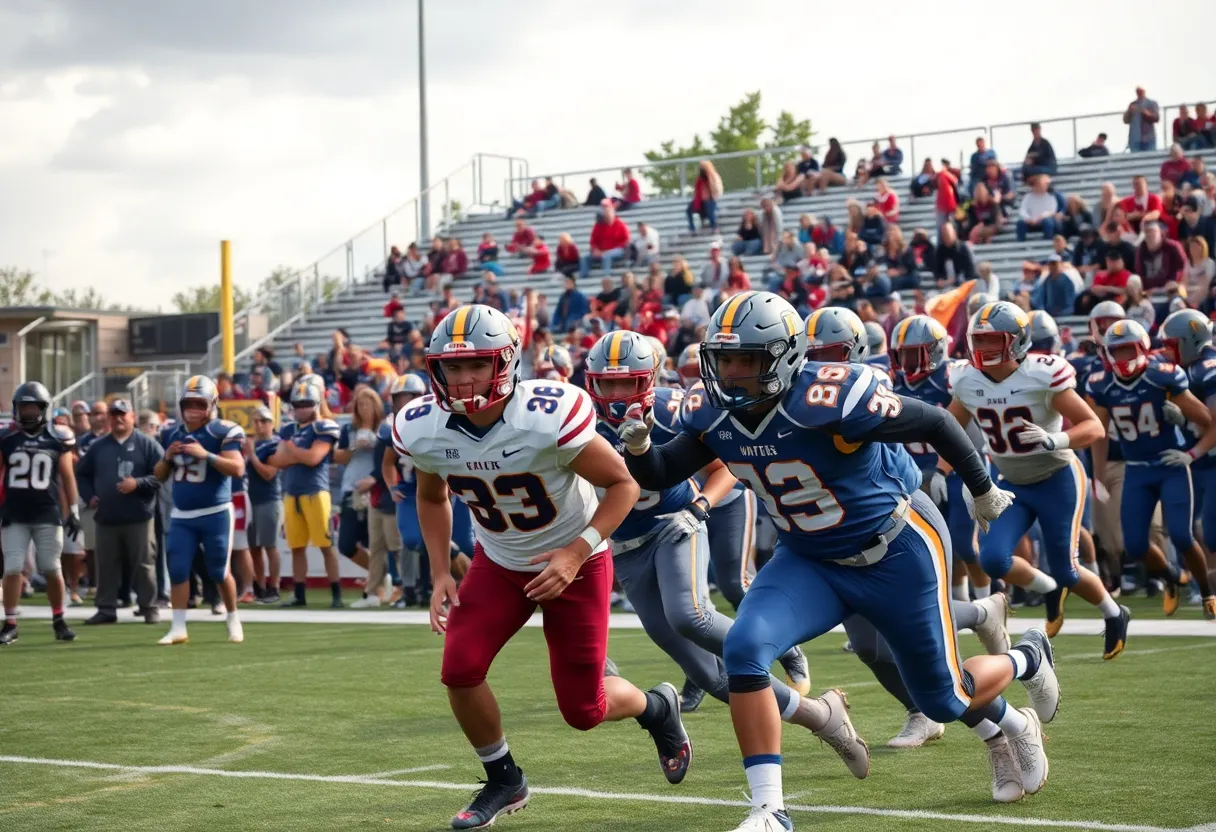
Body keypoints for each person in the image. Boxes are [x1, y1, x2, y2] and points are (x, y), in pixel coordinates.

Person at [622, 292, 1060, 827]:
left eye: (747, 361)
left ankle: (1027, 661)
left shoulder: (829, 398)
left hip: (894, 548)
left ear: (783, 358)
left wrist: (982, 487)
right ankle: (769, 811)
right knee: (743, 647)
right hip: (808, 558)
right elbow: (663, 473)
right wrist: (641, 451)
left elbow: (934, 423)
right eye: (724, 360)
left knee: (944, 699)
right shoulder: (710, 410)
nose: (732, 374)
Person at [391, 304, 691, 829]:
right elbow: (431, 496)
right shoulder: (423, 427)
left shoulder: (546, 415)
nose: (463, 380)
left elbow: (625, 484)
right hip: (500, 561)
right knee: (459, 670)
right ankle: (504, 779)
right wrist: (441, 570)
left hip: (574, 561)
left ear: (504, 363)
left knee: (584, 712)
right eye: (453, 368)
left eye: (477, 365)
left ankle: (656, 708)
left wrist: (577, 552)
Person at [584, 332, 824, 730]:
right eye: (608, 382)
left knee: (710, 601)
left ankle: (781, 647)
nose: (616, 393)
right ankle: (817, 718)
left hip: (683, 516)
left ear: (650, 379)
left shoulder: (671, 409)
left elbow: (723, 468)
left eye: (627, 381)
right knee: (705, 670)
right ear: (592, 382)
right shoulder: (579, 423)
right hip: (627, 541)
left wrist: (699, 507)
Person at [804, 308, 1012, 749]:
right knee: (868, 645)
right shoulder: (806, 390)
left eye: (834, 354)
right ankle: (975, 622)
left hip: (892, 508)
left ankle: (1010, 685)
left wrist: (971, 480)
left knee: (907, 620)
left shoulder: (867, 384)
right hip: (837, 525)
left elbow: (943, 423)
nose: (825, 364)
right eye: (815, 355)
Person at [948, 302, 1129, 656]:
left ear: (1016, 342)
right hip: (1011, 481)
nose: (983, 349)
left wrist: (1054, 439)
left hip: (1057, 477)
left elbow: (1093, 426)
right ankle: (1047, 590)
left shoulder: (1040, 374)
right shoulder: (966, 380)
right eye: (978, 341)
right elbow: (947, 427)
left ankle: (1114, 612)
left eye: (992, 341)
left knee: (1068, 569)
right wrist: (957, 473)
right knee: (993, 559)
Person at [1087, 319, 1216, 619]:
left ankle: (1208, 592)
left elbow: (1207, 419)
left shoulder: (1163, 376)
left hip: (1169, 465)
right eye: (1115, 352)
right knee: (1134, 545)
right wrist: (1098, 475)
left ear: (1143, 347)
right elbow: (1100, 432)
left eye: (1127, 350)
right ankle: (1171, 577)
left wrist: (1184, 426)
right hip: (1136, 469)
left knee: (1182, 537)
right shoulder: (1102, 385)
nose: (1122, 359)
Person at [887, 317, 993, 603]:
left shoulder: (953, 377)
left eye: (912, 353)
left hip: (960, 468)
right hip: (919, 472)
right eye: (901, 354)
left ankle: (988, 601)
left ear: (933, 351)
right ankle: (958, 604)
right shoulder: (893, 382)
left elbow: (965, 427)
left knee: (964, 544)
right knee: (942, 544)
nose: (906, 361)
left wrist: (944, 470)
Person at [151, 379, 246, 645]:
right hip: (182, 514)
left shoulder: (222, 432)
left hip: (216, 512)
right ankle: (178, 627)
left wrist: (206, 455)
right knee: (178, 568)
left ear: (212, 405)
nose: (192, 409)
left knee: (218, 571)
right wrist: (167, 457)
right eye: (188, 404)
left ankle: (233, 619)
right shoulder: (171, 433)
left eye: (199, 404)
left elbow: (237, 469)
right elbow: (159, 475)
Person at [0, 382, 81, 645]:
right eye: (24, 406)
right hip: (14, 513)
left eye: (33, 406)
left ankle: (59, 619)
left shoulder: (58, 438)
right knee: (12, 567)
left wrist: (75, 510)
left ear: (43, 409)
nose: (28, 412)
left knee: (50, 567)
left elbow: (67, 476)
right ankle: (10, 622)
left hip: (47, 513)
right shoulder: (7, 439)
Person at [77, 399, 164, 627]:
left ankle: (149, 606)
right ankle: (106, 608)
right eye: (114, 414)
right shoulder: (98, 446)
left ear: (132, 417)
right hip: (107, 515)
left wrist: (138, 483)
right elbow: (81, 474)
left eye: (122, 414)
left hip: (139, 515)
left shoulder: (148, 444)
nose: (118, 418)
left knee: (144, 564)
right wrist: (89, 496)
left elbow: (162, 474)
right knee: (106, 564)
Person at [1159, 309, 1216, 618]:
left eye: (1173, 343)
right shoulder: (1193, 368)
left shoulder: (1209, 369)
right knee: (1186, 526)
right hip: (1201, 459)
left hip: (1208, 458)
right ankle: (1204, 589)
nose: (1168, 350)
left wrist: (1192, 453)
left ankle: (1209, 591)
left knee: (1210, 528)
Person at [270, 378, 344, 608]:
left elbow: (314, 459)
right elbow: (276, 461)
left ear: (317, 403)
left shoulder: (322, 426)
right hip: (291, 492)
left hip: (315, 492)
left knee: (325, 544)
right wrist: (299, 454)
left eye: (306, 403)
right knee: (296, 547)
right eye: (298, 404)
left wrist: (292, 450)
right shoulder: (288, 429)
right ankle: (299, 594)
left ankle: (336, 594)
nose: (301, 408)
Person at [382, 374, 429, 607]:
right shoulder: (395, 427)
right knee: (411, 540)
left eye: (407, 398)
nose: (403, 404)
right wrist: (392, 486)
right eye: (399, 399)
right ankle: (411, 589)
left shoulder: (434, 421)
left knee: (441, 541)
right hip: (409, 492)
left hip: (434, 491)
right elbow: (387, 462)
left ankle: (429, 587)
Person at [335, 389, 383, 605]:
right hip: (351, 489)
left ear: (376, 406)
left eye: (367, 404)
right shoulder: (349, 429)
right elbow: (338, 457)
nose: (364, 408)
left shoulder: (385, 429)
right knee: (346, 544)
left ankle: (378, 586)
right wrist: (354, 446)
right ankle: (383, 576)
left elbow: (389, 459)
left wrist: (374, 443)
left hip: (376, 489)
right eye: (360, 405)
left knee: (377, 542)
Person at [244, 406, 282, 604]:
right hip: (252, 499)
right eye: (256, 421)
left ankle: (273, 586)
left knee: (270, 545)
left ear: (271, 423)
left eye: (263, 421)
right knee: (254, 548)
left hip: (269, 498)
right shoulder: (254, 444)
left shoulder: (275, 444)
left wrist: (252, 456)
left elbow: (269, 473)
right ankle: (260, 586)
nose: (259, 425)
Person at [1124, 87, 1160, 152]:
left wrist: (1146, 113)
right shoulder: (1132, 104)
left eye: (1141, 91)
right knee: (1135, 160)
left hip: (1148, 139)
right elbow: (1125, 120)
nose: (1139, 93)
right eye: (1137, 91)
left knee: (1149, 159)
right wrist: (1129, 111)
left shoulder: (1151, 103)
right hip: (1134, 140)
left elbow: (1156, 118)